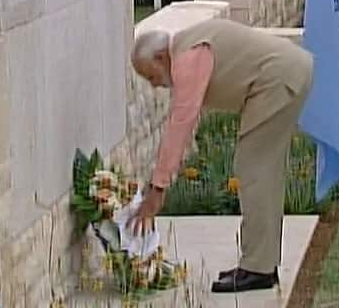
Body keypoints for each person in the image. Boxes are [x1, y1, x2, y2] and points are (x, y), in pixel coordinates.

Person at [128, 18, 314, 292]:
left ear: (160, 57)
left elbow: (182, 121)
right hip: (287, 73)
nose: (155, 85)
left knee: (255, 169)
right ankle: (261, 264)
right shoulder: (190, 45)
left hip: (278, 78)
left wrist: (158, 187)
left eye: (152, 76)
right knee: (262, 171)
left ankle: (258, 269)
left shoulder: (188, 56)